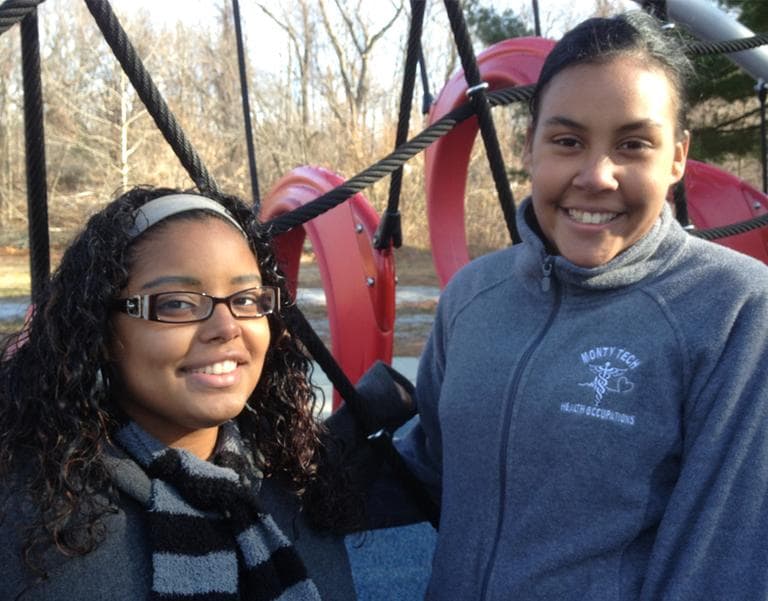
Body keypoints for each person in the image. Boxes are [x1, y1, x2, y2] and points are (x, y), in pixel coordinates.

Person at [391, 10, 768, 600]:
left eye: (633, 144)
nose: (596, 175)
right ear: (530, 147)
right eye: (567, 141)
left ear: (677, 157)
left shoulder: (736, 310)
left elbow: (725, 560)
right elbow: (433, 469)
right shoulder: (472, 296)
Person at [0, 186, 391, 599]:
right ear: (103, 331)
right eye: (177, 304)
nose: (226, 327)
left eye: (245, 299)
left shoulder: (300, 479)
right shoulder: (35, 520)